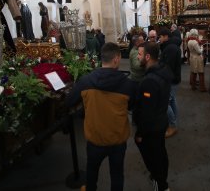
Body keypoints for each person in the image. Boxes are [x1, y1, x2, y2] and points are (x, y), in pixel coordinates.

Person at [67, 42, 136, 191]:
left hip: (95, 139)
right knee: (117, 174)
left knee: (92, 173)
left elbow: (69, 101)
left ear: (101, 59)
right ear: (117, 59)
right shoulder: (128, 85)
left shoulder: (85, 81)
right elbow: (131, 107)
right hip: (117, 139)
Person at [134, 42, 172, 191]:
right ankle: (160, 177)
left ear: (148, 56)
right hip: (161, 122)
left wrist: (140, 133)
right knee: (160, 153)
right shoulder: (163, 69)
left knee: (154, 158)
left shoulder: (149, 81)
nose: (137, 56)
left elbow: (147, 113)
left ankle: (161, 185)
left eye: (139, 54)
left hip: (152, 128)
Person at [158, 28, 181, 138]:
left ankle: (173, 125)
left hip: (170, 79)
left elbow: (168, 66)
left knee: (164, 103)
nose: (159, 39)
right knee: (172, 101)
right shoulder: (171, 46)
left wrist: (161, 75)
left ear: (166, 36)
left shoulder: (170, 48)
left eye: (160, 37)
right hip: (173, 78)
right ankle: (174, 121)